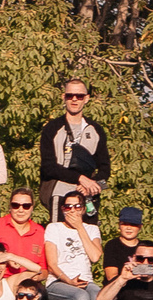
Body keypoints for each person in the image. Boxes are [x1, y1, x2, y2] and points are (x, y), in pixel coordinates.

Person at [37, 79, 109, 222]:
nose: (74, 99)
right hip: (59, 193)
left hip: (87, 196)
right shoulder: (52, 128)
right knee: (59, 234)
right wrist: (80, 178)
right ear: (64, 97)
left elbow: (105, 168)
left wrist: (92, 184)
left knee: (88, 234)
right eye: (70, 96)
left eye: (79, 96)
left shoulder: (95, 129)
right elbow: (48, 166)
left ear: (86, 99)